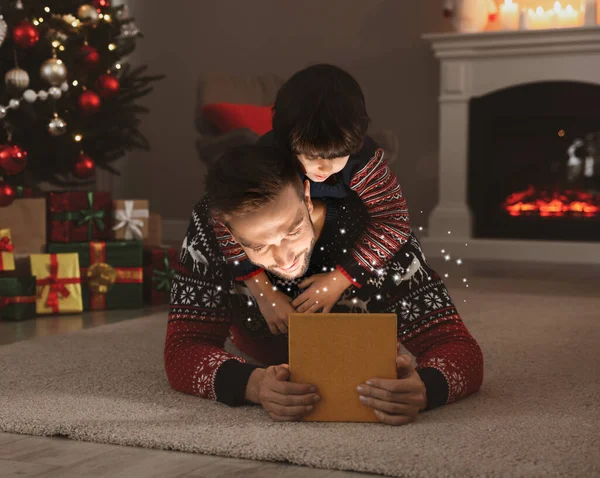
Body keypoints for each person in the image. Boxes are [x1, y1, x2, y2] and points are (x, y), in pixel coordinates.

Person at [165, 144, 483, 425]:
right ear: (228, 233)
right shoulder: (210, 230)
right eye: (259, 247)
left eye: (292, 231)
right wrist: (253, 384)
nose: (285, 258)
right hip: (257, 350)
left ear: (306, 194)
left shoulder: (377, 234)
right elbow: (183, 347)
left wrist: (426, 387)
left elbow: (458, 347)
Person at [213, 64, 411, 336]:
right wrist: (264, 294)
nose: (322, 168)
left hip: (344, 245)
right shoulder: (268, 159)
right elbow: (225, 220)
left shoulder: (367, 165)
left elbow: (394, 221)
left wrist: (339, 280)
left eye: (335, 156)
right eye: (308, 155)